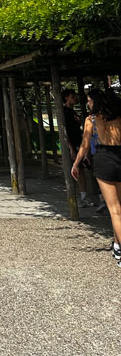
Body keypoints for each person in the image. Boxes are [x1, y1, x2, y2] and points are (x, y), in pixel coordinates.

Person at [72, 88, 121, 265]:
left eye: (89, 100)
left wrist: (76, 164)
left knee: (115, 210)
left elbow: (84, 146)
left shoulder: (91, 119)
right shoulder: (118, 117)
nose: (88, 103)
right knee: (119, 207)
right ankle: (117, 245)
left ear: (95, 101)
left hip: (104, 159)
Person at [62, 89, 92, 207]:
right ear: (66, 98)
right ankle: (79, 196)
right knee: (77, 169)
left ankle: (84, 195)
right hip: (73, 142)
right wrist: (71, 147)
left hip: (79, 141)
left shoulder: (72, 112)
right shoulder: (64, 112)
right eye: (72, 96)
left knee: (82, 168)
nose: (74, 98)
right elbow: (65, 131)